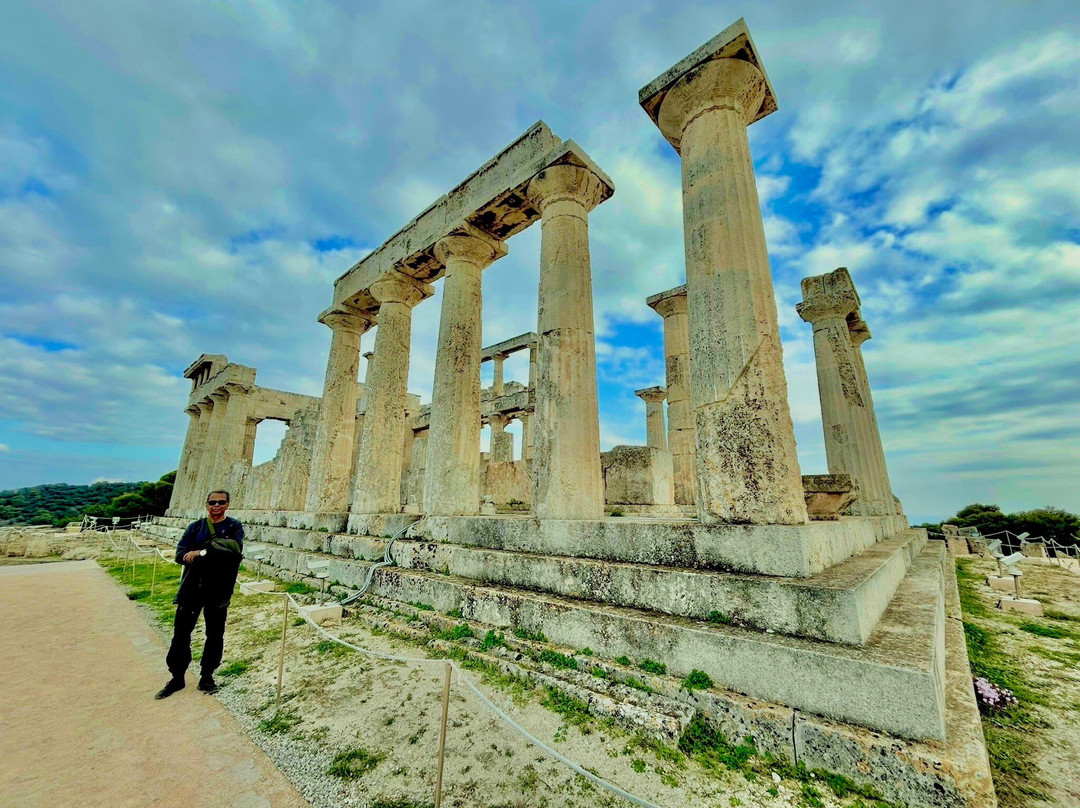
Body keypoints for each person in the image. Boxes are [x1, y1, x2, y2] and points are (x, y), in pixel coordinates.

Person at [155, 490, 244, 699]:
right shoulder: (195, 527)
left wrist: (201, 553)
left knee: (214, 635)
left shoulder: (234, 526)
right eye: (212, 502)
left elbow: (234, 550)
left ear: (227, 505)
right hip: (192, 589)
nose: (216, 506)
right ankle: (177, 677)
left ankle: (207, 675)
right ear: (206, 504)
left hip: (218, 589)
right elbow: (180, 555)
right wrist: (211, 554)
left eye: (221, 502)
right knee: (181, 634)